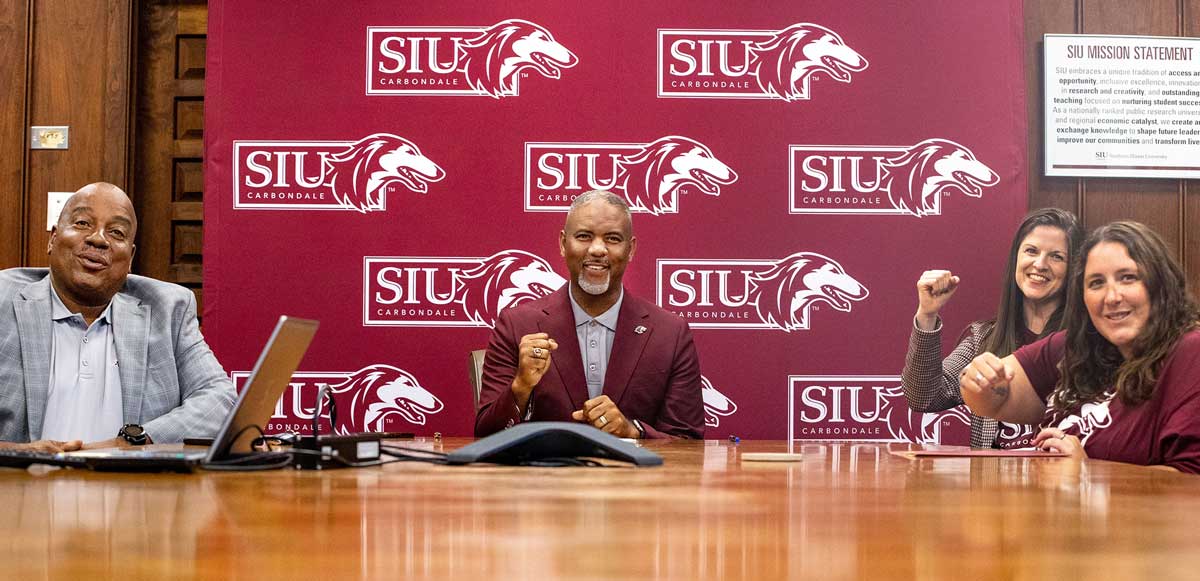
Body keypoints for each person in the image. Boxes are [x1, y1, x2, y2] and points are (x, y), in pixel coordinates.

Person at [0, 183, 235, 453]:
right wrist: (18, 451)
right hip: (21, 486)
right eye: (82, 223)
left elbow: (220, 401)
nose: (98, 239)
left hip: (130, 487)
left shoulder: (168, 309)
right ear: (53, 239)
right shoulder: (4, 300)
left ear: (130, 257)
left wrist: (130, 443)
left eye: (116, 232)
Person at [961, 221, 1200, 473]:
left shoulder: (1190, 352)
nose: (1112, 297)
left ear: (1161, 284)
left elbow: (1190, 483)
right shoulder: (1078, 344)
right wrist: (980, 381)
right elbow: (994, 399)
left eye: (1128, 278)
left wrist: (1089, 474)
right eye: (1096, 283)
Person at [475, 190, 704, 439]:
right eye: (584, 236)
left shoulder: (670, 333)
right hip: (545, 475)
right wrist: (520, 387)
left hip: (636, 477)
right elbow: (485, 435)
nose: (597, 249)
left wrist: (633, 431)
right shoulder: (517, 325)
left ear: (631, 249)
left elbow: (689, 442)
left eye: (613, 238)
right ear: (563, 244)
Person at [902, 208, 1082, 448]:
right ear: (1016, 258)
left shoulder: (1087, 343)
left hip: (1061, 481)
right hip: (992, 483)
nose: (1040, 264)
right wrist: (927, 314)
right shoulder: (984, 338)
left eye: (1057, 256)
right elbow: (923, 396)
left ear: (1074, 269)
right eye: (1031, 251)